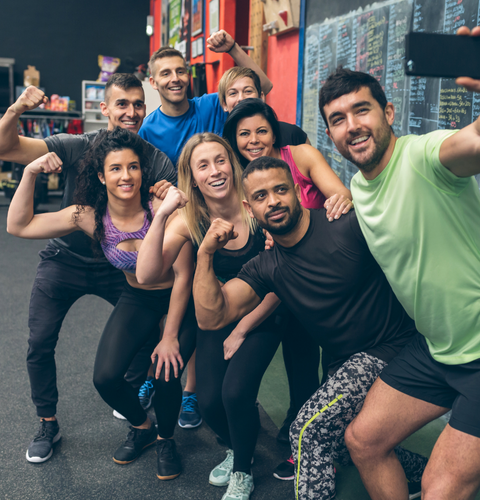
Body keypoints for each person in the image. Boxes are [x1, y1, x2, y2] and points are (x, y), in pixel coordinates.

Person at [190, 156, 428, 500]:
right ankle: (427, 472)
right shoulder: (267, 265)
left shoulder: (343, 223)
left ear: (298, 191)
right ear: (249, 207)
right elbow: (211, 317)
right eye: (260, 197)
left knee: (309, 430)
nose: (272, 201)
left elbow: (412, 235)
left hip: (393, 348)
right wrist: (205, 255)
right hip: (343, 363)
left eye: (280, 190)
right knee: (344, 444)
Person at [318, 26, 480, 500]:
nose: (352, 126)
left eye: (362, 109)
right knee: (363, 441)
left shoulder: (426, 156)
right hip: (436, 349)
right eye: (338, 119)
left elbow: (469, 143)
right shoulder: (359, 190)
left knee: (440, 485)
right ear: (330, 134)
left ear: (388, 112)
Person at [0, 74, 176, 463]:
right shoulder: (77, 148)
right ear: (105, 109)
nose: (131, 112)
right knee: (40, 341)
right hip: (65, 258)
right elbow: (5, 147)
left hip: (120, 264)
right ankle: (47, 421)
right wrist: (16, 110)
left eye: (138, 104)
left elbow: (180, 221)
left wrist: (169, 194)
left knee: (146, 329)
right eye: (122, 104)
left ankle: (131, 397)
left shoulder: (156, 161)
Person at [135, 133, 292, 500]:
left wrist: (243, 330)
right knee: (208, 402)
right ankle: (239, 450)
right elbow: (145, 274)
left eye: (220, 160)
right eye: (202, 165)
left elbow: (281, 283)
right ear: (191, 176)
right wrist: (161, 215)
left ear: (232, 164)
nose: (215, 171)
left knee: (235, 394)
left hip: (265, 314)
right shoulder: (190, 219)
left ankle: (242, 472)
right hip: (217, 318)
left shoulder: (256, 205)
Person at [139, 29, 273, 167]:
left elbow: (264, 87)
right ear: (153, 82)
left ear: (188, 75)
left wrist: (233, 48)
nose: (175, 78)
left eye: (180, 72)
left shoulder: (213, 105)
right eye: (165, 74)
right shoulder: (147, 130)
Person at [217, 66, 311, 146]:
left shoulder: (291, 134)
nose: (241, 98)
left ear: (261, 97)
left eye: (248, 91)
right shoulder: (224, 149)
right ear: (224, 104)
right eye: (233, 93)